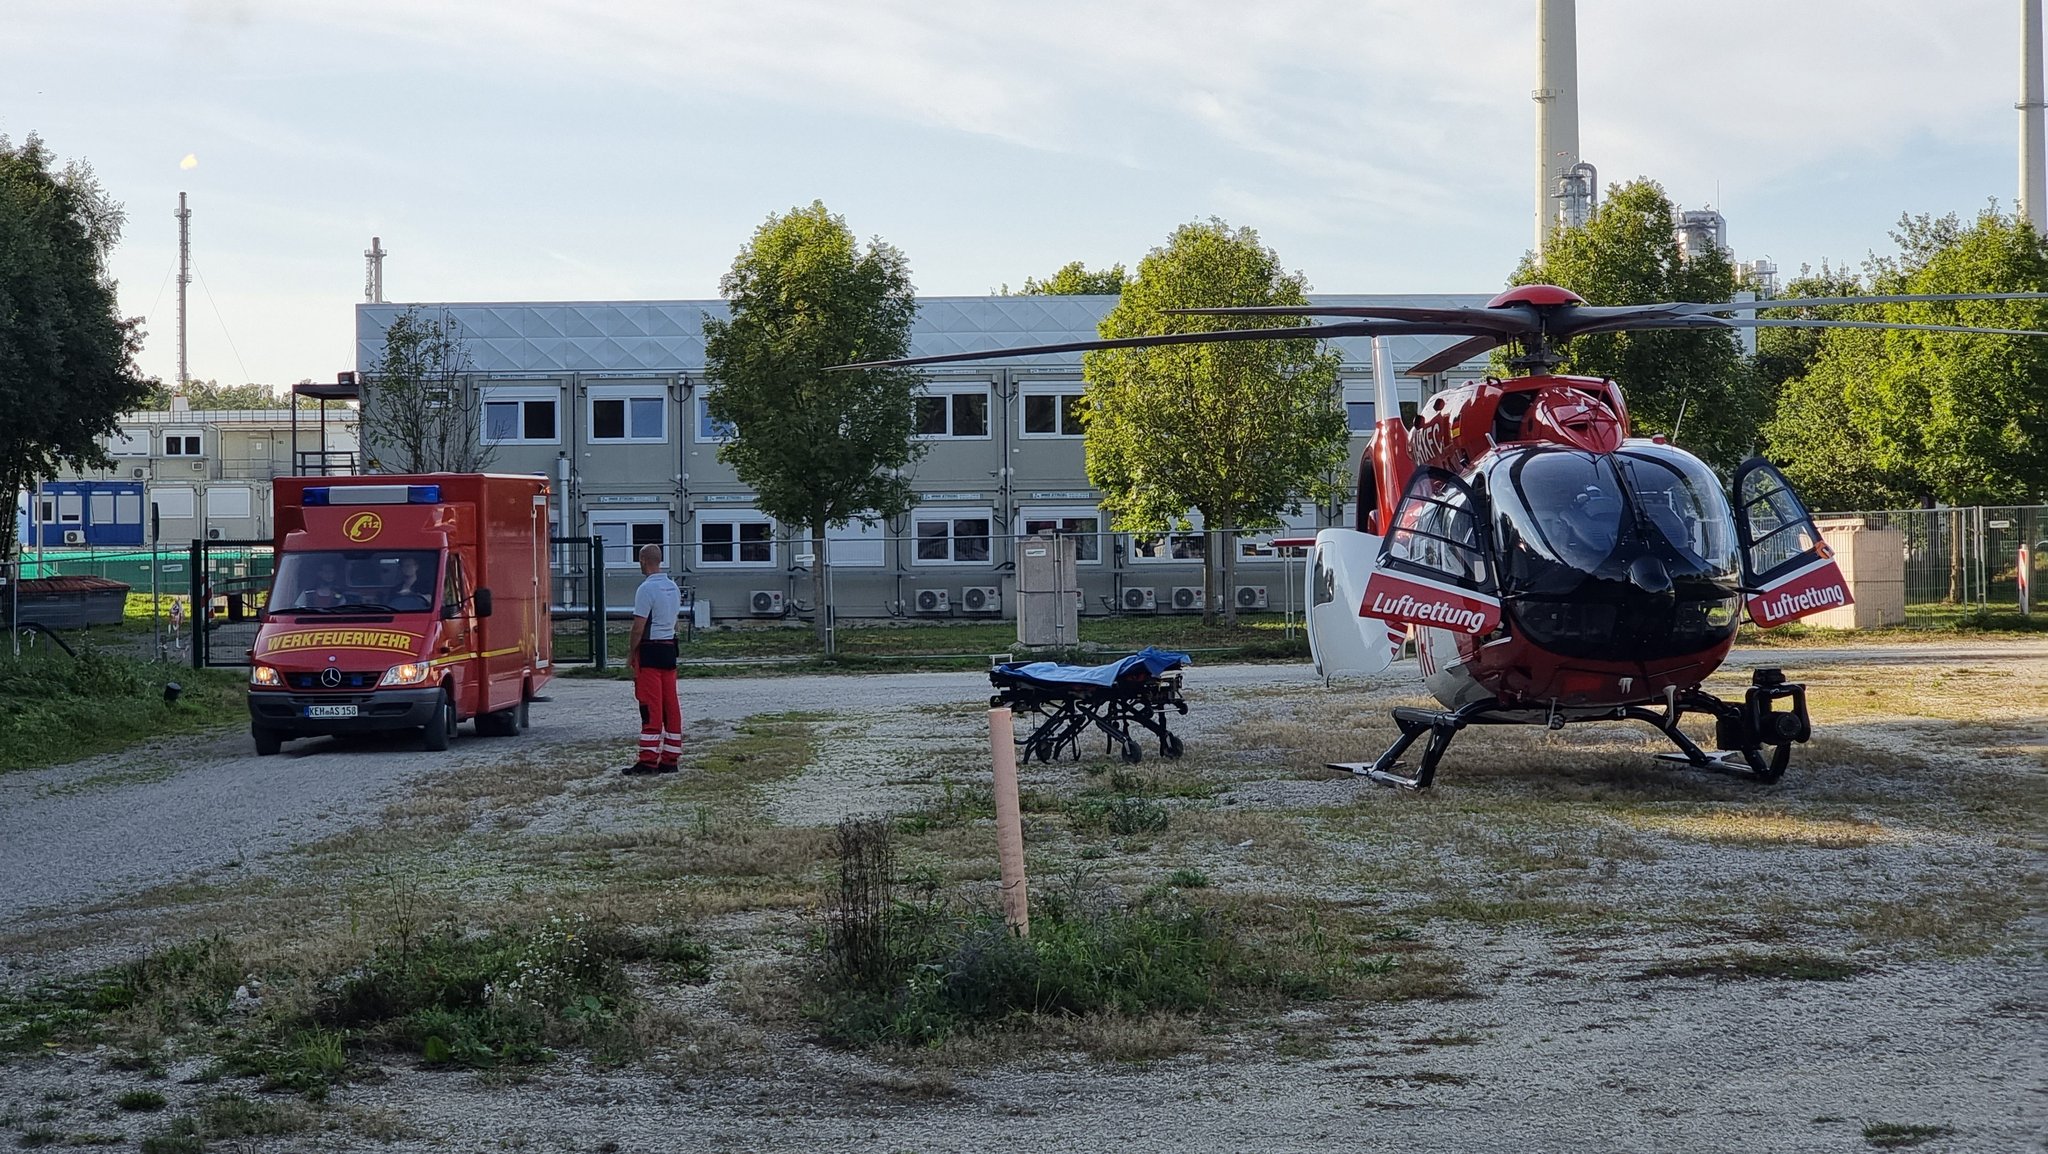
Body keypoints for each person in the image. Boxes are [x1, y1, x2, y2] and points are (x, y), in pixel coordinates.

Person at [624, 542, 683, 775]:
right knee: (671, 705)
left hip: (649, 650)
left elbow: (639, 627)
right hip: (669, 648)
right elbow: (675, 621)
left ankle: (648, 760)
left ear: (642, 560)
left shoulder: (646, 589)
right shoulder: (673, 587)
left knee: (650, 705)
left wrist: (631, 652)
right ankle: (670, 758)